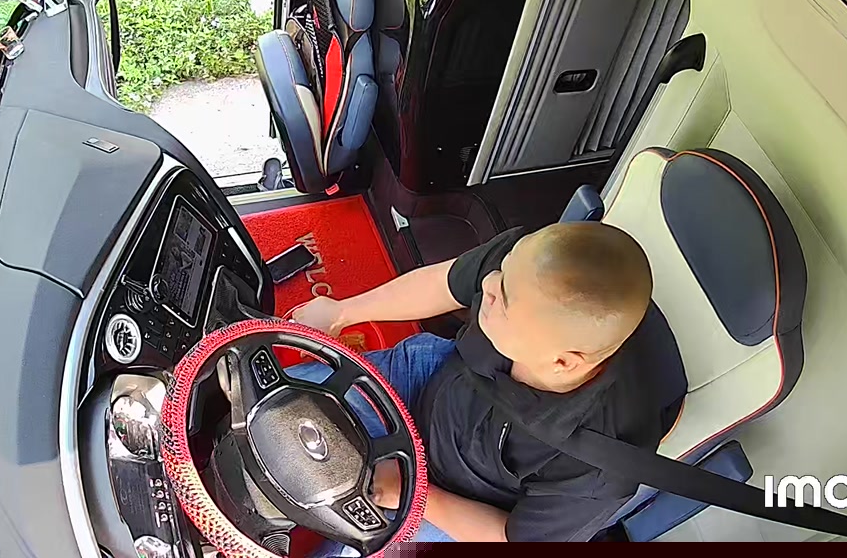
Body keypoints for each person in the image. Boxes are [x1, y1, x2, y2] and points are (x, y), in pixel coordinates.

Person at [285, 221, 666, 544]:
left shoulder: (596, 473)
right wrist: (341, 312)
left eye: (503, 300)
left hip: (459, 500)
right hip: (431, 381)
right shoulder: (529, 268)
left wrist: (414, 492)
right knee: (288, 406)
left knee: (353, 543)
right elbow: (445, 283)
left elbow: (510, 539)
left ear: (561, 362)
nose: (488, 283)